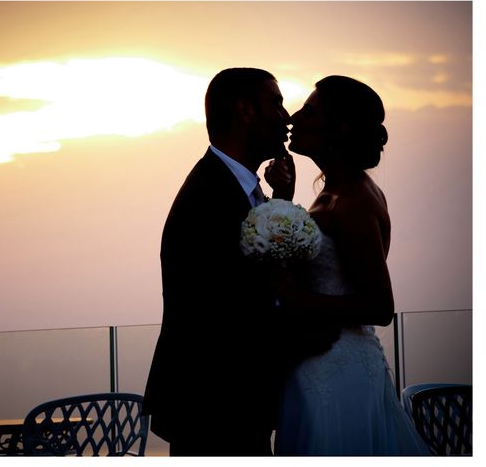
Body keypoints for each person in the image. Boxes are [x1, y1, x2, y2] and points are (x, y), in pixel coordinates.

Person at [142, 67, 308, 456]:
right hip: (214, 406)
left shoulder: (240, 189)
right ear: (245, 110)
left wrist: (282, 199)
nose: (286, 118)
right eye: (276, 103)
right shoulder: (208, 196)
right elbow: (235, 304)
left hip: (234, 406)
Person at [270, 75, 430, 455]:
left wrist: (296, 300)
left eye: (309, 112)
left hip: (337, 370)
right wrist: (282, 198)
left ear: (340, 128)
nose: (293, 118)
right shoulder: (334, 194)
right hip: (319, 362)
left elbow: (379, 306)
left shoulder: (354, 201)